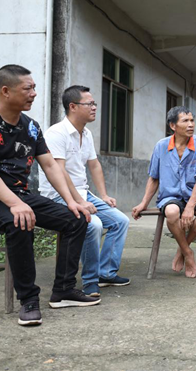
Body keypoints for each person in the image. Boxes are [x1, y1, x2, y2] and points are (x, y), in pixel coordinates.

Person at [0, 65, 99, 327]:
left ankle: (64, 290)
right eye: (28, 88)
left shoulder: (31, 127)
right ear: (6, 91)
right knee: (19, 221)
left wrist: (71, 201)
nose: (34, 93)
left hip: (19, 195)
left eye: (34, 88)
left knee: (76, 218)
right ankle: (29, 300)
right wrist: (15, 203)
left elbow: (51, 166)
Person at [39, 85, 130, 298]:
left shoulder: (86, 133)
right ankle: (90, 281)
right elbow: (59, 172)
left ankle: (105, 273)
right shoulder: (56, 133)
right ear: (72, 106)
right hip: (58, 196)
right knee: (94, 224)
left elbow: (94, 165)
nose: (95, 107)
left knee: (120, 221)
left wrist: (104, 195)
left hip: (83, 193)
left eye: (94, 103)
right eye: (89, 104)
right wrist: (79, 201)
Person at [132, 106, 196, 278]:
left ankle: (182, 249)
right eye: (185, 121)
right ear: (173, 126)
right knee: (171, 211)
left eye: (192, 120)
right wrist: (143, 203)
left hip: (195, 194)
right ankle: (188, 253)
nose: (191, 124)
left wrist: (191, 206)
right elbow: (154, 178)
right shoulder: (161, 146)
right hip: (170, 195)